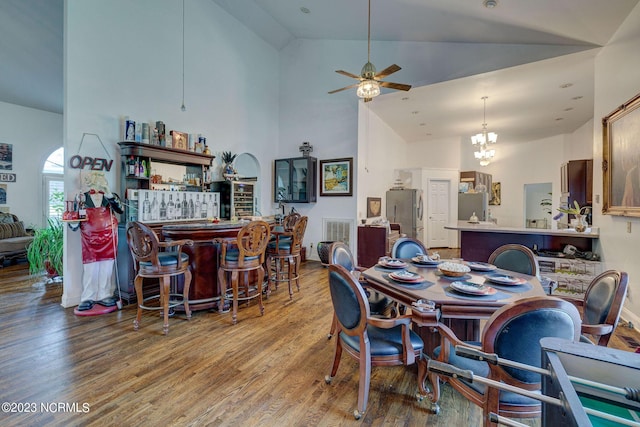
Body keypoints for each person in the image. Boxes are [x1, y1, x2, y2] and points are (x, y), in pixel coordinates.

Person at [77, 172, 123, 311]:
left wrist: (109, 195)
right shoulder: (82, 197)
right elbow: (75, 216)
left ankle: (105, 294)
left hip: (108, 236)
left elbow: (120, 210)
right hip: (89, 237)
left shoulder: (110, 196)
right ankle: (88, 297)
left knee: (107, 267)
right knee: (90, 268)